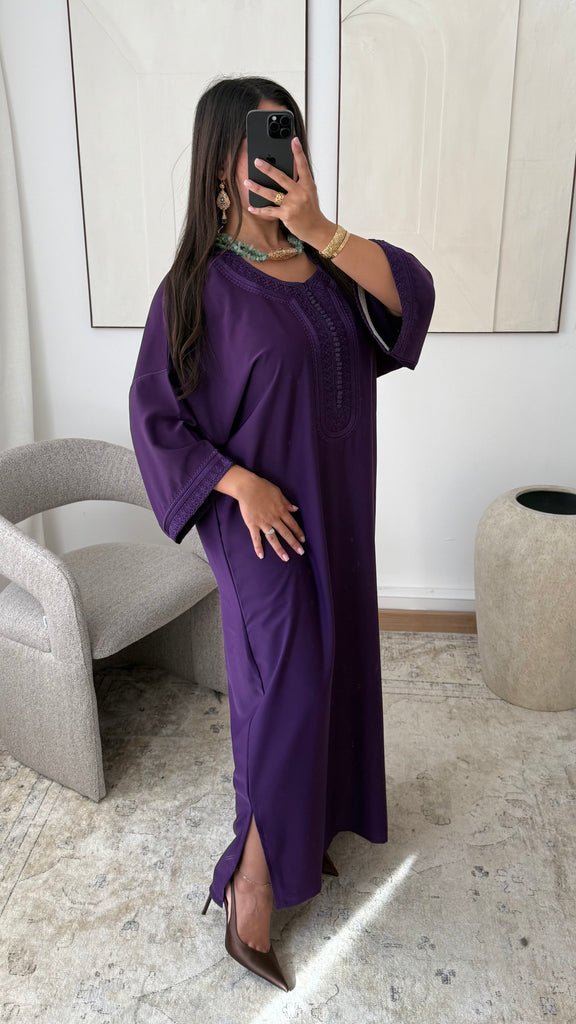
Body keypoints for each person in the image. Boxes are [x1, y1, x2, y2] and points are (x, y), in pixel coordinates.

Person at [129, 75, 435, 992]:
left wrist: (320, 226)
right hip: (254, 524)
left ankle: (305, 830)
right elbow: (156, 416)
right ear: (220, 166)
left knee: (334, 668)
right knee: (289, 685)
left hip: (334, 506)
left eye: (288, 136)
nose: (277, 156)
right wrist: (238, 482)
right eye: (258, 141)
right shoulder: (195, 287)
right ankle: (251, 882)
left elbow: (413, 296)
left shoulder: (328, 260)